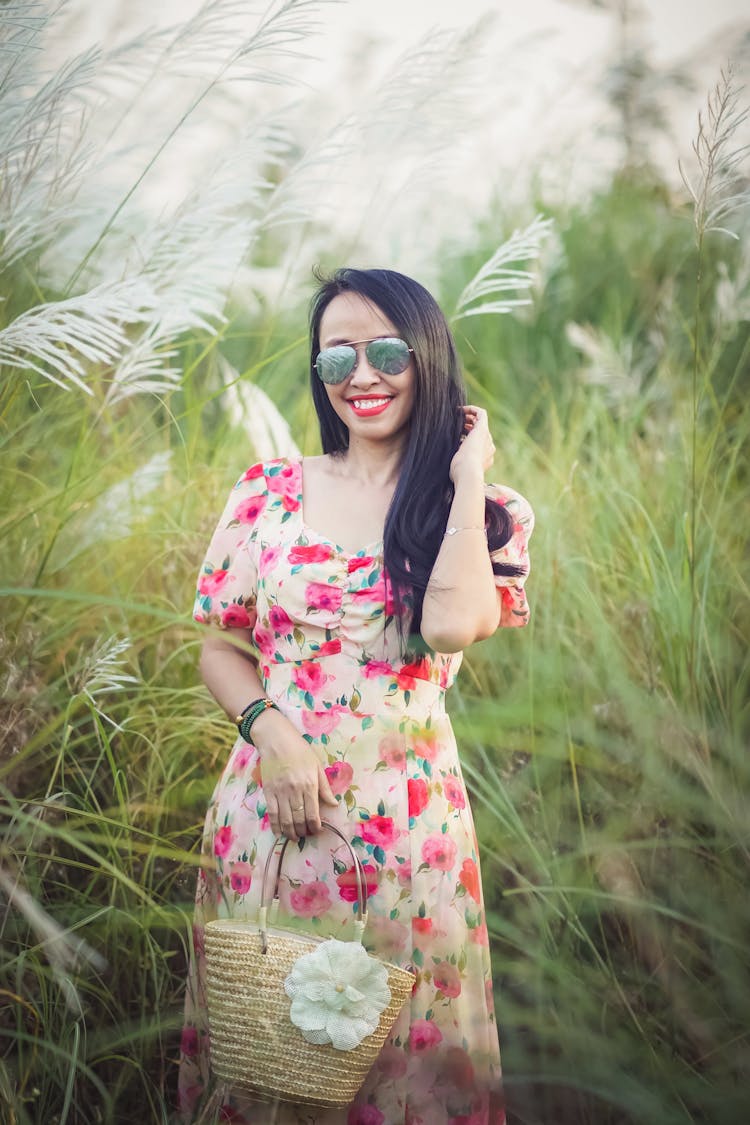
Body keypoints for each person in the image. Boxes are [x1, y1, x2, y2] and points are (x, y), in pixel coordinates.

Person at [177, 267, 534, 1125]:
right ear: (317, 372)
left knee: (405, 1063)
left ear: (428, 357)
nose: (362, 375)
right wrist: (274, 734)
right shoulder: (267, 493)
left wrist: (464, 471)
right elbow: (221, 647)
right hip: (271, 812)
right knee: (269, 1058)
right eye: (337, 356)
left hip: (409, 828)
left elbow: (450, 626)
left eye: (385, 351)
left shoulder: (487, 513)